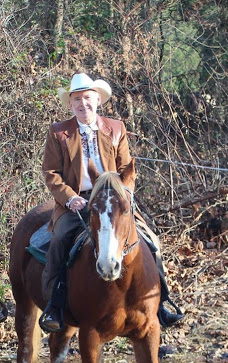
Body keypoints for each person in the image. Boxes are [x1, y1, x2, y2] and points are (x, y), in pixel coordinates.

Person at [40, 72, 182, 332]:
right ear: (71, 104)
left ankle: (162, 301)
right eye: (77, 100)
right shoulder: (59, 133)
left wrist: (123, 196)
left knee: (152, 241)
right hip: (78, 201)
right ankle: (54, 306)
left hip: (114, 201)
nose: (83, 104)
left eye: (88, 98)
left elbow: (127, 168)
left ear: (97, 100)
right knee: (59, 240)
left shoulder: (116, 129)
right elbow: (51, 173)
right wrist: (69, 198)